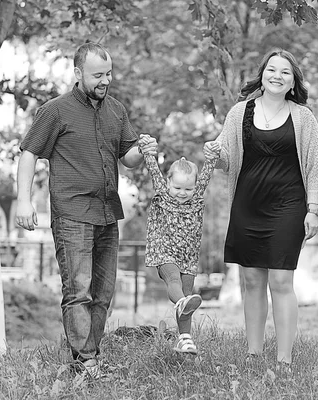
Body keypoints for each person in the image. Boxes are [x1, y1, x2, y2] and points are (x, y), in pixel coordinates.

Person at [15, 42, 158, 379]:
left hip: (108, 211)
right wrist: (24, 199)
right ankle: (87, 361)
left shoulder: (117, 110)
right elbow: (28, 154)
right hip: (72, 212)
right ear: (78, 73)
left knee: (103, 293)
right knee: (78, 291)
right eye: (98, 75)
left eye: (108, 73)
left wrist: (143, 149)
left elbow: (129, 158)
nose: (105, 80)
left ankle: (85, 358)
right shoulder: (55, 111)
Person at [203, 48, 318, 371]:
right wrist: (214, 154)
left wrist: (313, 208)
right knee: (252, 280)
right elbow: (227, 159)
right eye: (272, 69)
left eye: (285, 72)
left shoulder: (303, 118)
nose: (277, 76)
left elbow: (315, 166)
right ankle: (253, 354)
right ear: (262, 75)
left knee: (282, 281)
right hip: (247, 204)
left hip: (288, 206)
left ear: (292, 82)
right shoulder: (239, 113)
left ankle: (284, 359)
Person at [140, 136, 220, 354]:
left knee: (186, 296)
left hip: (188, 257)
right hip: (164, 252)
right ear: (167, 183)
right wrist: (148, 151)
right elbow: (152, 166)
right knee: (174, 282)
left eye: (188, 189)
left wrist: (213, 154)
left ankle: (185, 338)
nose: (182, 193)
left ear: (195, 187)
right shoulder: (163, 195)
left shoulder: (196, 198)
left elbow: (207, 172)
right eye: (177, 187)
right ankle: (182, 306)